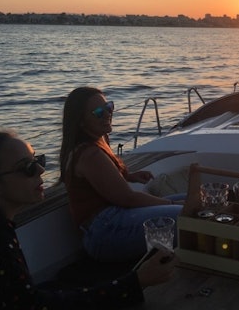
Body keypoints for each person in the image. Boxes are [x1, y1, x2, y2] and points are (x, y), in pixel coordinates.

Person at [0, 130, 176, 309]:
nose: (41, 169)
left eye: (38, 160)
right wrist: (135, 283)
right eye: (27, 167)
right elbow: (31, 305)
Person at [59, 86, 184, 262]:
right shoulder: (89, 154)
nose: (107, 114)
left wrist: (128, 175)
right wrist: (171, 203)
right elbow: (128, 198)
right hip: (104, 231)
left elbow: (103, 178)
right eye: (98, 112)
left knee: (191, 200)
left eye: (108, 107)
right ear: (81, 121)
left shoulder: (98, 139)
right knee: (186, 215)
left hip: (115, 218)